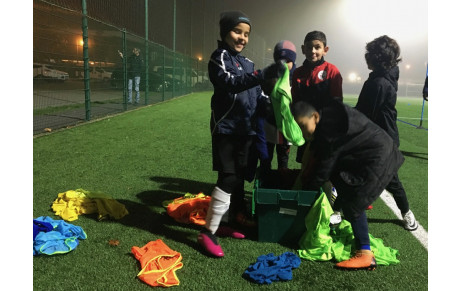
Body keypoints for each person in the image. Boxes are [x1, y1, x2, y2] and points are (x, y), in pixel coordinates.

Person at [291, 100, 405, 270]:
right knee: (342, 182)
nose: (301, 131)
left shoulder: (330, 127)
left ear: (314, 116)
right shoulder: (325, 117)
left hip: (377, 158)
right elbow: (316, 153)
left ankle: (364, 253)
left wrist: (306, 190)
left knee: (354, 203)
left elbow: (324, 168)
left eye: (302, 125)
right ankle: (338, 214)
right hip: (368, 153)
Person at [198, 11, 268, 258]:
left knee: (239, 179)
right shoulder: (219, 58)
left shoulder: (247, 63)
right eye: (237, 32)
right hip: (226, 129)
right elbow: (229, 83)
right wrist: (260, 76)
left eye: (246, 34)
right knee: (227, 178)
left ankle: (230, 222)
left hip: (246, 131)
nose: (242, 38)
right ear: (225, 32)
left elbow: (259, 96)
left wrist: (276, 105)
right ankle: (208, 232)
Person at [355, 35, 418, 231]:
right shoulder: (380, 78)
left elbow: (366, 113)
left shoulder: (379, 83)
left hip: (382, 140)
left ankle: (407, 213)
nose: (367, 57)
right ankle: (348, 207)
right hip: (381, 137)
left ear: (377, 58)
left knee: (390, 179)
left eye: (370, 55)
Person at [291, 30, 343, 164]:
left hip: (324, 128)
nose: (312, 51)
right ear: (303, 49)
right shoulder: (297, 73)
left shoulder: (332, 71)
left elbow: (337, 102)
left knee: (324, 165)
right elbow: (295, 100)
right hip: (305, 129)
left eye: (317, 47)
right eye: (309, 47)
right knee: (306, 164)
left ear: (325, 50)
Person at [262, 40, 297, 171]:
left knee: (283, 159)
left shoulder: (297, 77)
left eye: (287, 60)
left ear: (293, 61)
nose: (283, 64)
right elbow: (261, 97)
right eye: (280, 60)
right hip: (269, 125)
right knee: (266, 158)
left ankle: (281, 186)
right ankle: (265, 186)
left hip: (285, 127)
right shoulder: (268, 74)